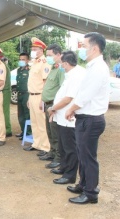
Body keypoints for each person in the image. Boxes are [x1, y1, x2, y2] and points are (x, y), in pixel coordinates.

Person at [65, 32, 109, 204]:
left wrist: (71, 109)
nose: (81, 50)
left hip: (91, 119)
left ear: (95, 48)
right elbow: (83, 93)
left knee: (88, 158)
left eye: (84, 46)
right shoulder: (93, 66)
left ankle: (90, 193)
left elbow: (85, 96)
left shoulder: (99, 68)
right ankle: (83, 185)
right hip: (86, 118)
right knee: (83, 154)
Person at [48, 51, 86, 184]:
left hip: (68, 117)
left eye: (62, 63)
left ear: (66, 63)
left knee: (70, 148)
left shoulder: (77, 75)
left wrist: (53, 108)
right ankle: (64, 167)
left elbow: (68, 98)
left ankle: (69, 175)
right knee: (63, 145)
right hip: (61, 117)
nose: (61, 65)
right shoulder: (70, 74)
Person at [24, 37, 51, 152]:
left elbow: (45, 82)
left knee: (41, 123)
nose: (33, 51)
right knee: (34, 122)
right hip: (32, 95)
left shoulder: (45, 63)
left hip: (40, 95)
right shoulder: (35, 62)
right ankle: (37, 143)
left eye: (35, 49)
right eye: (32, 49)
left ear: (41, 50)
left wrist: (43, 99)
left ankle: (45, 146)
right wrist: (30, 98)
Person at [39, 44, 64, 169]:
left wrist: (55, 107)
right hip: (48, 105)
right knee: (49, 131)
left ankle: (58, 158)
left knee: (56, 133)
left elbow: (61, 89)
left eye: (50, 55)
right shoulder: (53, 68)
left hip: (54, 106)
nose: (48, 57)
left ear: (58, 55)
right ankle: (52, 153)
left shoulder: (61, 70)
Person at [15, 53, 31, 140]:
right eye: (20, 59)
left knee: (27, 114)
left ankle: (28, 133)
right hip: (19, 94)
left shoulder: (30, 70)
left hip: (26, 94)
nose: (21, 61)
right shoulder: (19, 70)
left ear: (27, 60)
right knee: (20, 115)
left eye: (23, 59)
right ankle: (23, 131)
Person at [1, 57, 12, 137]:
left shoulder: (3, 67)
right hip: (3, 90)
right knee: (2, 111)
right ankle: (3, 129)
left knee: (5, 111)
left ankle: (7, 130)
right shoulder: (4, 66)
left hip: (5, 90)